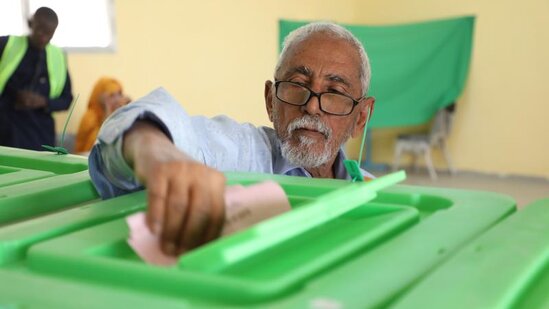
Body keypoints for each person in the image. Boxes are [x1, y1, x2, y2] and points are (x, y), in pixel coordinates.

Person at [89, 22, 376, 256]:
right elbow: (157, 127)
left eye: (335, 92)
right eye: (297, 85)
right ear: (270, 101)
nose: (311, 106)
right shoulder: (245, 152)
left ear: (360, 117)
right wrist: (155, 151)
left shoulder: (375, 194)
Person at [0, 7, 73, 150]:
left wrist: (43, 102)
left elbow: (66, 100)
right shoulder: (6, 45)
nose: (43, 37)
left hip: (41, 137)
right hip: (6, 131)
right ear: (31, 23)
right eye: (40, 30)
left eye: (49, 34)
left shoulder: (58, 57)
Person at [74, 77, 130, 154]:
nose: (117, 99)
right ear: (100, 97)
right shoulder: (90, 117)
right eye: (111, 95)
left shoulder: (117, 114)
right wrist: (108, 112)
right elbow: (98, 142)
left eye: (119, 94)